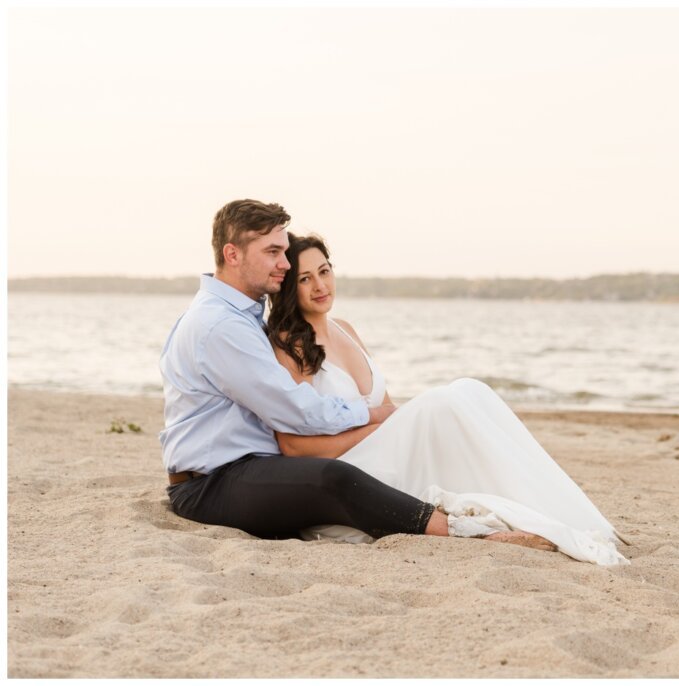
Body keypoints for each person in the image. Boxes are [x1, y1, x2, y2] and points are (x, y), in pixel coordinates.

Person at [159, 199, 552, 551]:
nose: (284, 262)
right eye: (273, 252)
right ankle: (467, 533)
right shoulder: (220, 325)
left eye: (284, 251)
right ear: (232, 254)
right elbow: (296, 410)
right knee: (331, 478)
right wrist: (372, 414)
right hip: (212, 483)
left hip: (243, 470)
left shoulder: (238, 316)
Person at [266, 233, 629, 566]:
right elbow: (295, 447)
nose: (319, 285)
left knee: (471, 390)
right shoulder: (291, 343)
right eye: (304, 279)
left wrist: (392, 420)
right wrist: (385, 423)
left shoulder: (346, 328)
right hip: (352, 466)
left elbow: (388, 407)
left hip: (390, 449)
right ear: (288, 288)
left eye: (324, 271)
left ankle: (555, 509)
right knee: (441, 404)